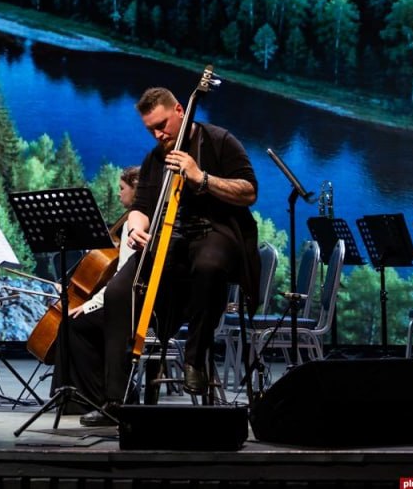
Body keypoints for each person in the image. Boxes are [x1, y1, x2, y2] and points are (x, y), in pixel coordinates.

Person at [79, 86, 258, 427]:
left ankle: (195, 358)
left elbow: (249, 191)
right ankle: (115, 398)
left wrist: (200, 177)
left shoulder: (220, 141)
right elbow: (141, 207)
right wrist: (136, 227)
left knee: (209, 266)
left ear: (180, 110)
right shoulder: (155, 158)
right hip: (169, 240)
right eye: (151, 130)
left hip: (214, 232)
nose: (159, 134)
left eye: (162, 125)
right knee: (119, 293)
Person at [49, 166, 139, 411]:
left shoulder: (135, 220)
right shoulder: (143, 218)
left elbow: (121, 279)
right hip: (135, 304)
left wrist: (89, 304)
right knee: (79, 322)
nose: (119, 194)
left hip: (127, 309)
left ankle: (89, 398)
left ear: (136, 190)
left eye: (122, 189)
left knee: (73, 325)